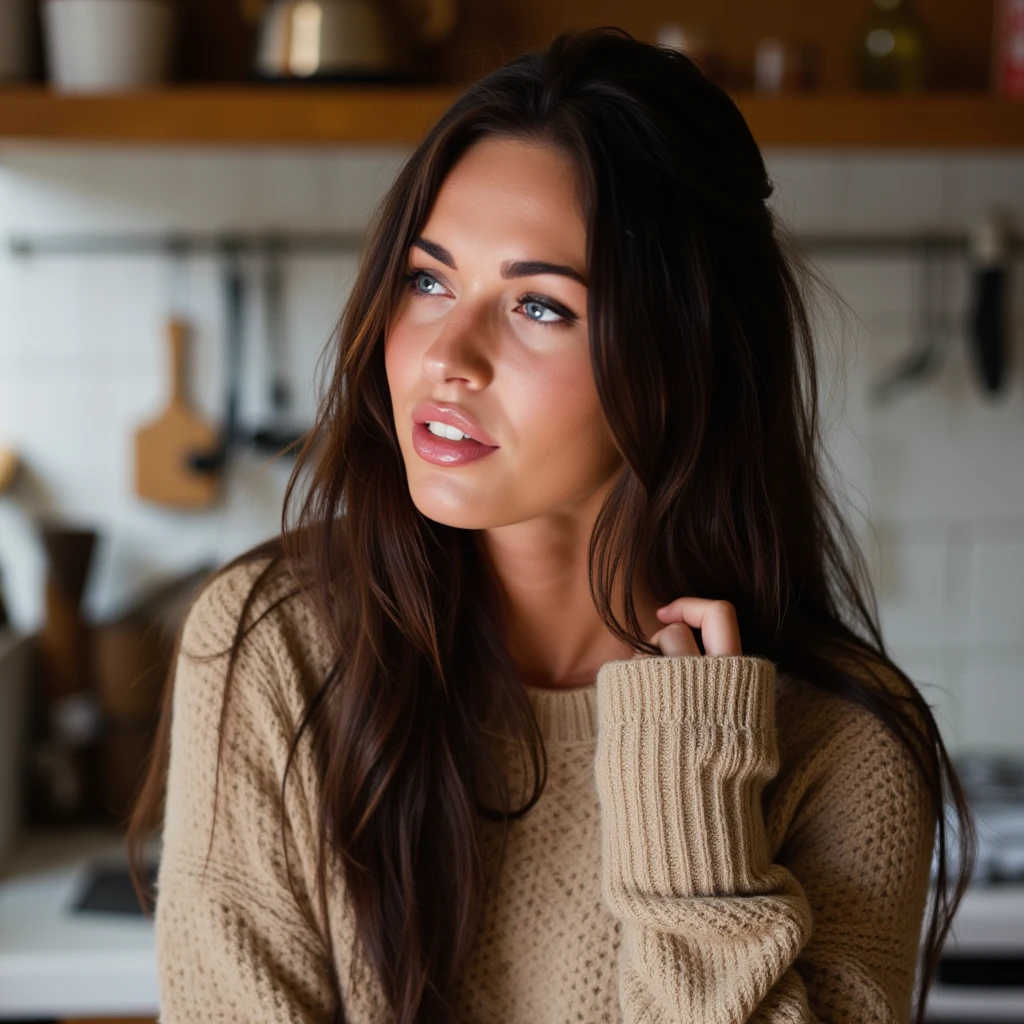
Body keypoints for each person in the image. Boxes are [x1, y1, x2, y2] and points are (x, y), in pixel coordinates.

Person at [128, 26, 975, 1024]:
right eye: (428, 279)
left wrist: (690, 808)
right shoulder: (274, 644)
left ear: (683, 360)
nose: (449, 355)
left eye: (539, 307)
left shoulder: (842, 743)